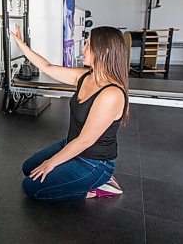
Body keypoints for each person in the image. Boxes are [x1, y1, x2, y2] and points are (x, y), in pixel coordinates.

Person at [9, 25, 128, 200]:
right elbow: (47, 67)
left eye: (88, 44)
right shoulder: (86, 77)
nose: (83, 48)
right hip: (72, 145)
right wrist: (21, 44)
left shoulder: (111, 94)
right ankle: (79, 178)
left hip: (93, 163)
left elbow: (85, 140)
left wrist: (51, 163)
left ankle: (99, 186)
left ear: (105, 50)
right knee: (29, 168)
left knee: (31, 187)